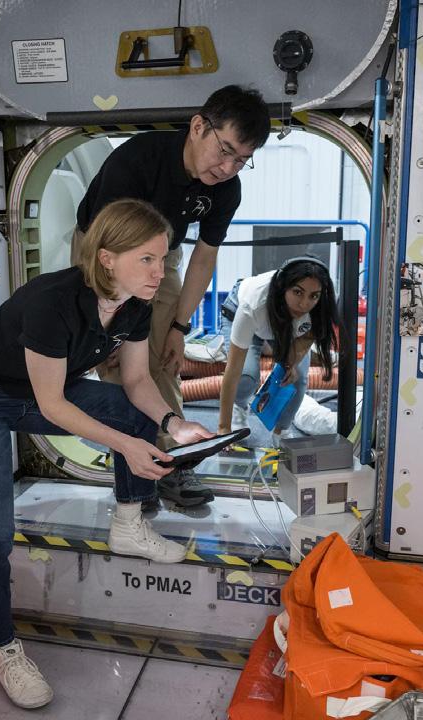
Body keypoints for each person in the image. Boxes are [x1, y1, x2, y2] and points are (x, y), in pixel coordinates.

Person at [0, 199, 213, 710]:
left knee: (135, 412)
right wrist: (127, 446)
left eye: (163, 258)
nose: (160, 271)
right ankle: (1, 646)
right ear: (107, 257)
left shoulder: (135, 303)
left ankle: (128, 525)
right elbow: (54, 406)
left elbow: (136, 381)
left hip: (38, 391)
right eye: (147, 259)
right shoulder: (54, 300)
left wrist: (174, 423)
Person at [72, 84, 270, 507]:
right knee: (119, 364)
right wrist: (111, 330)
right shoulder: (138, 160)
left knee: (164, 357)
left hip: (164, 254)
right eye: (225, 150)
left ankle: (174, 463)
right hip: (104, 252)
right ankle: (137, 474)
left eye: (242, 160)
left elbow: (204, 257)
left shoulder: (226, 189)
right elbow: (105, 252)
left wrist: (179, 327)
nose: (229, 167)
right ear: (198, 127)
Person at [217, 256, 340, 445]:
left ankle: (281, 431)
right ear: (284, 287)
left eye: (313, 296)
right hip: (243, 314)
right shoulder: (252, 305)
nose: (304, 304)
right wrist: (223, 428)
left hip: (283, 325)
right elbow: (232, 370)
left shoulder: (319, 306)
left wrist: (291, 363)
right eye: (298, 292)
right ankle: (239, 407)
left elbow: (306, 338)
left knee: (298, 377)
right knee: (246, 376)